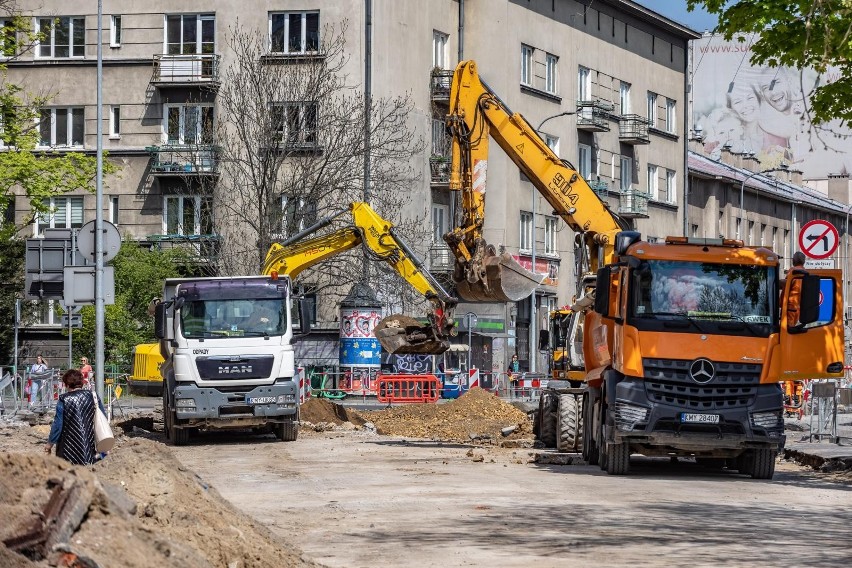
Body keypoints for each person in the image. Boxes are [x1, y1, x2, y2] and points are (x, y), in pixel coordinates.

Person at [44, 369, 106, 465]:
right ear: (81, 382)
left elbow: (58, 425)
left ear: (67, 384)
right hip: (90, 446)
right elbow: (103, 418)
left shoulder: (64, 399)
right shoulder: (93, 396)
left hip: (67, 450)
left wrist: (49, 444)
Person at [786, 251, 806, 327]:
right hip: (798, 306)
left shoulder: (793, 271)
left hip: (790, 305)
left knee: (787, 328)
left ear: (794, 260)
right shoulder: (805, 272)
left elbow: (786, 284)